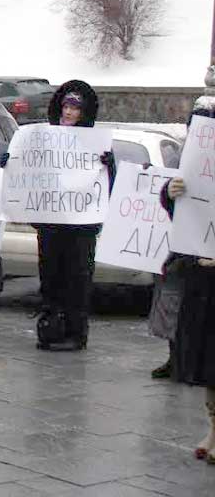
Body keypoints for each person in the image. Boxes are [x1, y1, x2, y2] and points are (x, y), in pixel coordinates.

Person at [33, 80, 115, 352]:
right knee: (50, 277)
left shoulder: (95, 145)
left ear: (84, 113)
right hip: (51, 223)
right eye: (66, 106)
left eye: (75, 108)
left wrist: (108, 167)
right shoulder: (44, 138)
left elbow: (106, 187)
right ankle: (51, 328)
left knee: (77, 278)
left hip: (80, 227)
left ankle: (75, 332)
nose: (69, 113)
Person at [158, 97, 215, 465]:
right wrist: (171, 194)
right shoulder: (203, 140)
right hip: (202, 272)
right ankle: (213, 428)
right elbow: (190, 201)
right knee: (208, 359)